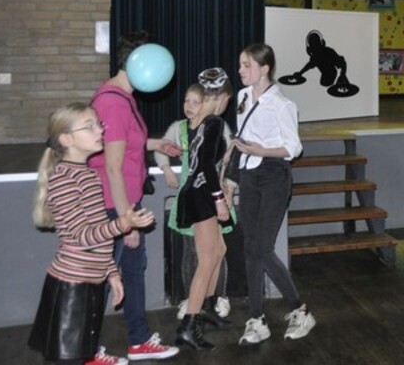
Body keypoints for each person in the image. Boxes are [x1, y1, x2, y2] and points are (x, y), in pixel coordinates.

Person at [29, 103, 155, 365]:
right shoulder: (64, 179)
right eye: (90, 127)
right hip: (71, 289)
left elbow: (100, 239)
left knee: (82, 355)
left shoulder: (88, 175)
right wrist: (124, 223)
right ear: (66, 139)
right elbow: (83, 236)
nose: (100, 130)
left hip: (90, 284)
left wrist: (112, 273)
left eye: (99, 124)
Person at [89, 30, 181, 361]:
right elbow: (113, 168)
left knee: (131, 271)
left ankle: (139, 341)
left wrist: (157, 144)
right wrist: (126, 219)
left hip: (125, 203)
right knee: (104, 277)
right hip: (115, 205)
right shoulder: (113, 102)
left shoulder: (122, 97)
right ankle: (87, 350)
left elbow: (125, 144)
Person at [233, 43, 316, 345]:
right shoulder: (242, 97)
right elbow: (243, 137)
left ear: (264, 68)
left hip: (274, 174)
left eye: (247, 65)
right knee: (250, 248)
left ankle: (299, 310)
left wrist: (262, 151)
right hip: (249, 172)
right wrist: (233, 176)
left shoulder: (282, 104)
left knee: (262, 248)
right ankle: (257, 318)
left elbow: (293, 148)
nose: (241, 70)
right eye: (240, 65)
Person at [162, 83, 234, 326]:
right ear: (222, 98)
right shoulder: (212, 122)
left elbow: (207, 163)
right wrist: (219, 199)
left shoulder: (200, 124)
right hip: (201, 195)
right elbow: (204, 165)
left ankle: (208, 306)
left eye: (195, 101)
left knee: (219, 250)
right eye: (188, 101)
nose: (190, 106)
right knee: (206, 260)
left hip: (202, 192)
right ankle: (190, 323)